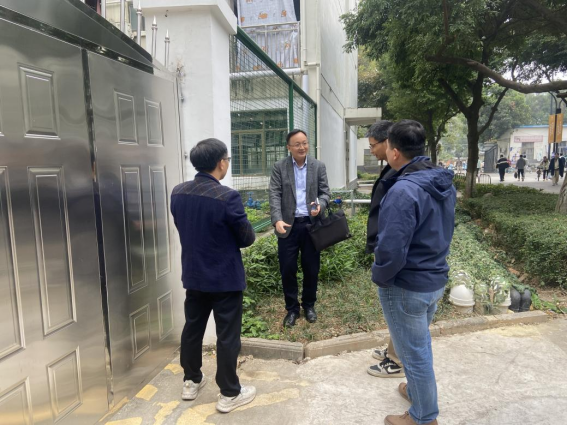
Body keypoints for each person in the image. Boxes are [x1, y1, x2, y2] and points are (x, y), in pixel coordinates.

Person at [373, 120, 456, 426]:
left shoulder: (403, 190)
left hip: (407, 285)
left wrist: (381, 277)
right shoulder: (442, 182)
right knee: (417, 347)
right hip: (434, 278)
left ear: (394, 152)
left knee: (414, 353)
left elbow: (391, 248)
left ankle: (423, 417)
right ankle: (419, 394)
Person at [171, 139, 257, 413]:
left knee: (193, 328)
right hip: (224, 279)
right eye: (227, 159)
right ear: (221, 162)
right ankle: (230, 393)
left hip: (194, 275)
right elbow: (246, 238)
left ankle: (191, 380)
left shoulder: (178, 193)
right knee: (227, 336)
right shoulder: (227, 197)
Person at [269, 129, 331, 328]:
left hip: (311, 226)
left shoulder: (318, 166)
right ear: (289, 147)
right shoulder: (279, 167)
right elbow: (274, 194)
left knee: (311, 268)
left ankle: (309, 305)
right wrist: (277, 220)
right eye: (297, 144)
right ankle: (292, 309)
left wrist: (320, 205)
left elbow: (325, 193)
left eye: (304, 143)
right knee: (287, 269)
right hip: (288, 226)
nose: (302, 147)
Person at [364, 121, 405, 379]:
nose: (371, 150)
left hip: (394, 255)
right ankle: (393, 349)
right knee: (396, 309)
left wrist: (383, 264)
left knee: (399, 308)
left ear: (388, 143)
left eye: (373, 145)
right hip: (386, 248)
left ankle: (397, 360)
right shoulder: (392, 168)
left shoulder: (401, 175)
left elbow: (397, 225)